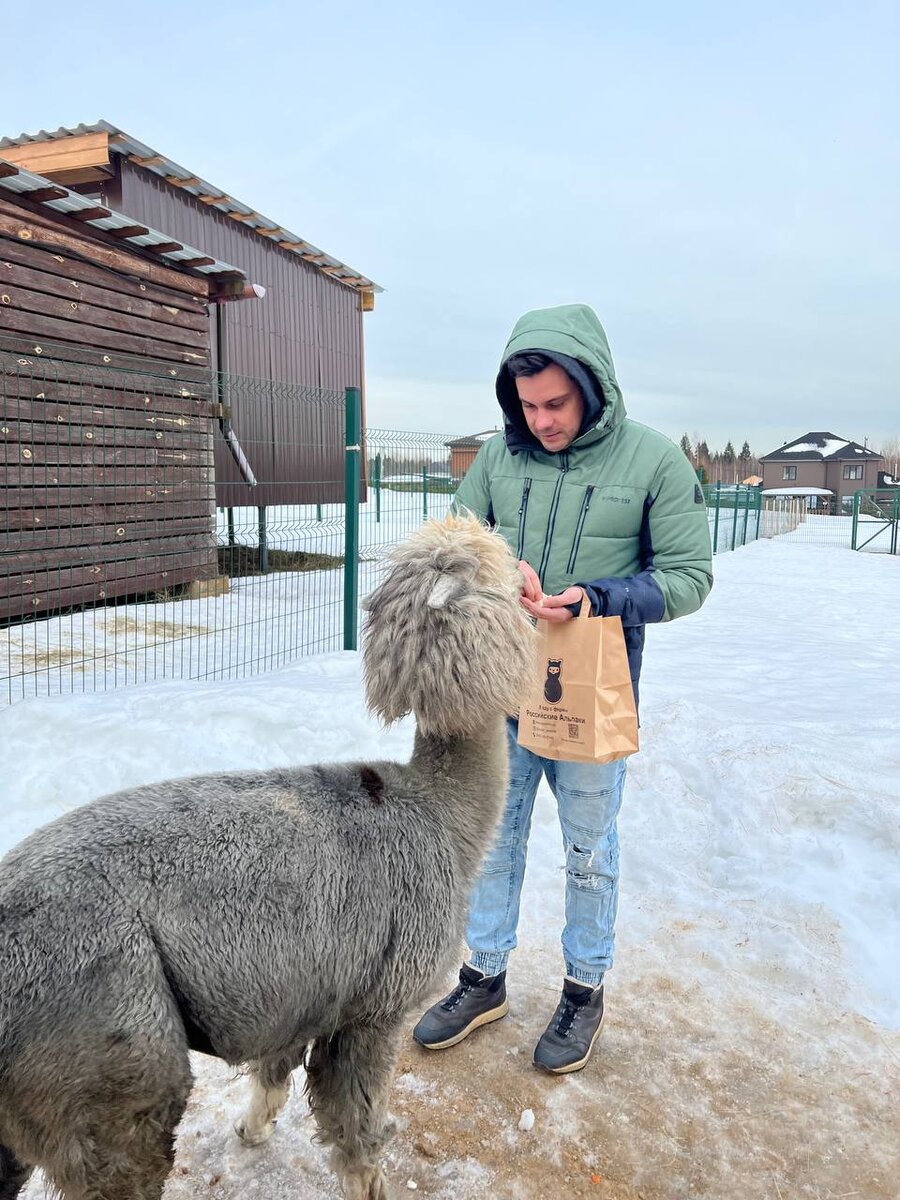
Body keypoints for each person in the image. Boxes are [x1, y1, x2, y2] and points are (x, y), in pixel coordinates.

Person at [412, 303, 713, 1074]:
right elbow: (455, 536)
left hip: (590, 688)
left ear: (591, 387)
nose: (540, 420)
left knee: (588, 850)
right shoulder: (497, 459)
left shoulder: (653, 461)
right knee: (493, 840)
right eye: (527, 405)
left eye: (556, 403)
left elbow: (687, 579)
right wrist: (493, 569)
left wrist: (594, 598)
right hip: (500, 685)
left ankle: (584, 988)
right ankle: (482, 978)